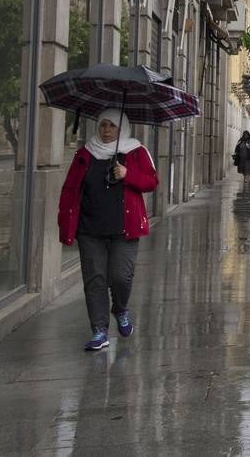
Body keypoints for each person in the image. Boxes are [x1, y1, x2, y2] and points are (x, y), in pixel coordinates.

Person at [57, 109, 158, 351]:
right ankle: (99, 330)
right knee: (95, 279)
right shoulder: (85, 153)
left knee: (121, 277)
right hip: (90, 228)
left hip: (125, 228)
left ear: (122, 128)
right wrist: (65, 223)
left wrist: (127, 174)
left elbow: (151, 181)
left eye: (112, 126)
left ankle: (120, 308)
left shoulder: (136, 151)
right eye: (102, 125)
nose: (106, 130)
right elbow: (70, 189)